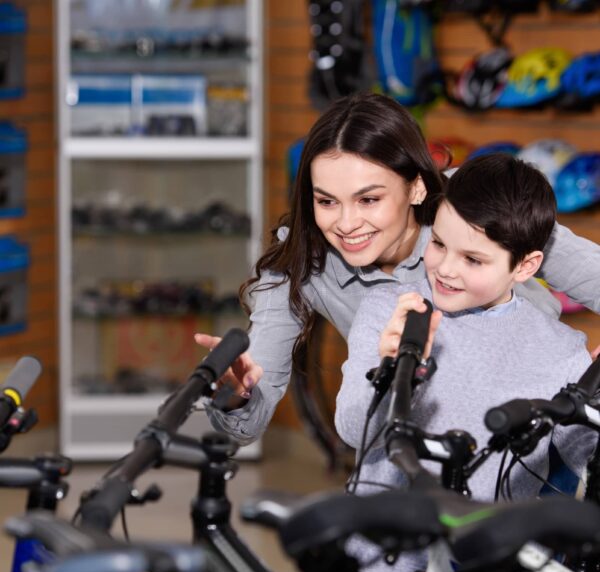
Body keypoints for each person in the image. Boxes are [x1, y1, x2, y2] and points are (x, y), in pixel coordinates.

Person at [195, 92, 600, 445]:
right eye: (327, 201)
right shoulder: (299, 260)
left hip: (534, 437)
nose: (347, 223)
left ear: (417, 186)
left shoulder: (477, 204)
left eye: (368, 199)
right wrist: (235, 394)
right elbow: (247, 419)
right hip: (418, 450)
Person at [335, 153, 597, 572]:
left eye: (473, 260)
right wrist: (388, 371)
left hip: (490, 563)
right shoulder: (390, 312)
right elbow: (352, 429)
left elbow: (575, 469)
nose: (445, 269)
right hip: (385, 541)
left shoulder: (561, 353)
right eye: (438, 244)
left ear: (526, 266)